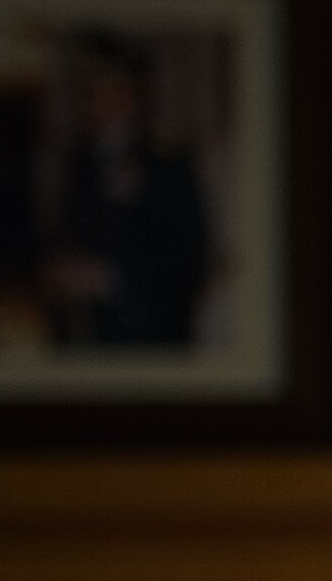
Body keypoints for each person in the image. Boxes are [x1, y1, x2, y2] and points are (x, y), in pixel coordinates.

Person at [40, 38, 215, 351]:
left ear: (130, 92)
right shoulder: (76, 165)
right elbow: (60, 239)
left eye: (102, 82)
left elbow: (190, 259)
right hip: (84, 343)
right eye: (88, 86)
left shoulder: (168, 164)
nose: (91, 96)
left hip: (150, 341)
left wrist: (108, 278)